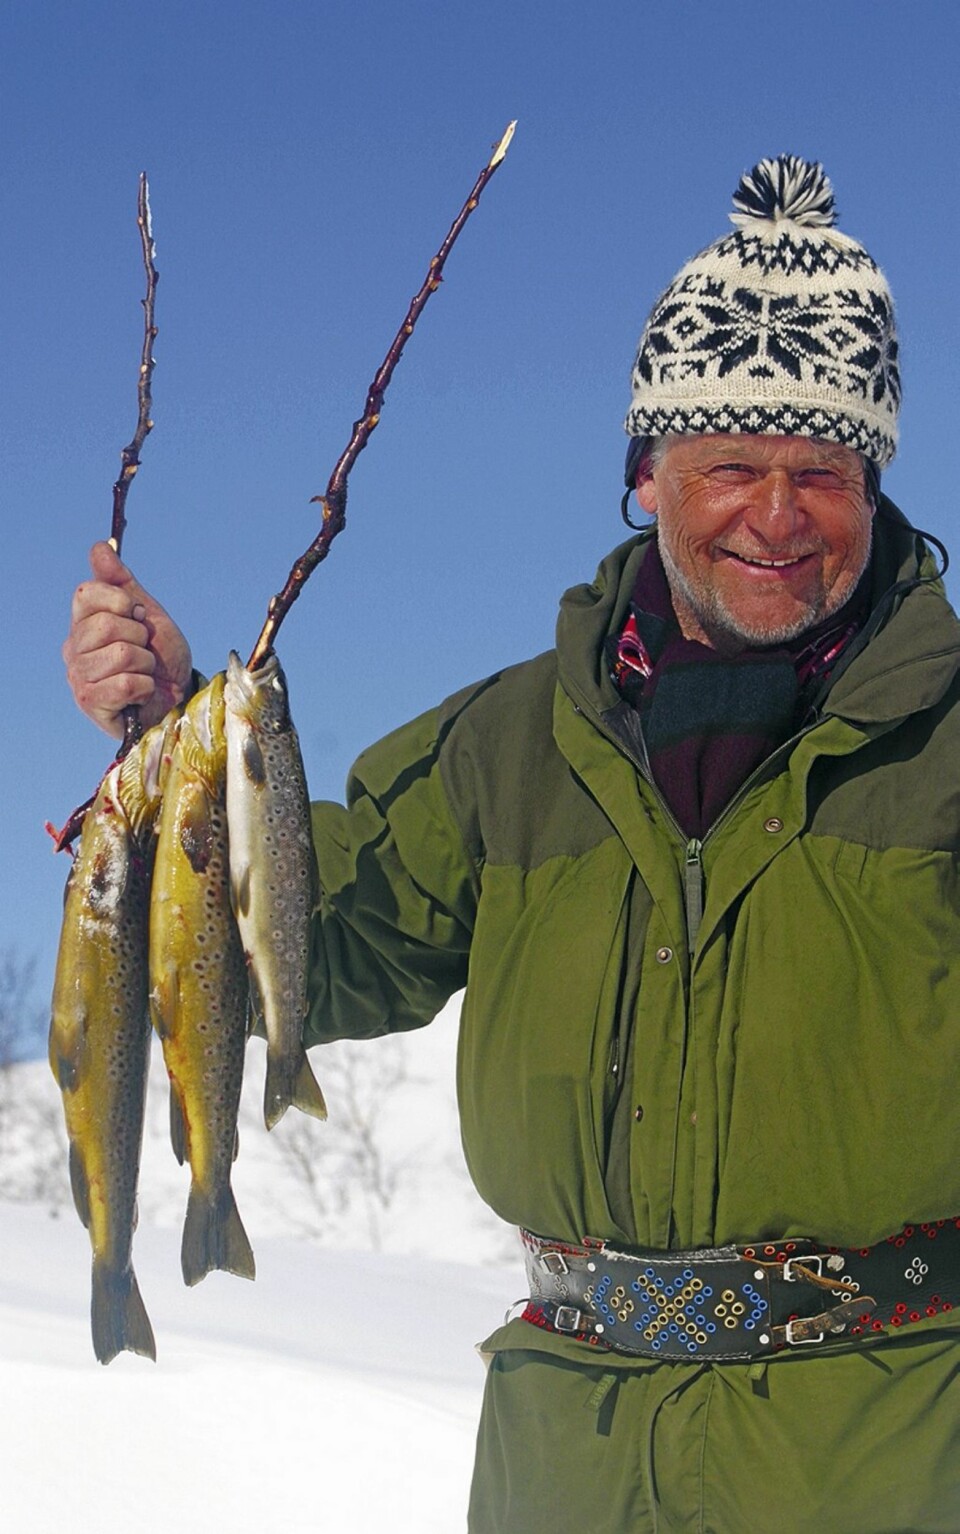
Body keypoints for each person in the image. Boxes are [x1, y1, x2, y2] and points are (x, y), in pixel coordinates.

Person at [64, 156, 960, 1532]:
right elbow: (310, 943)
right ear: (647, 473)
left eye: (821, 471)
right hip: (568, 1456)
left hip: (898, 1451)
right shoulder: (509, 747)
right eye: (731, 463)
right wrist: (189, 745)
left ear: (873, 480)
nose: (777, 516)